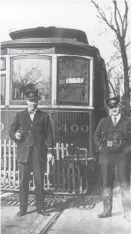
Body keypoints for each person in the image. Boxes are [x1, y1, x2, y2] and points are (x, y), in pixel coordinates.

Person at [9, 88, 54, 217]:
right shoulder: (20, 115)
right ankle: (23, 208)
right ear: (26, 101)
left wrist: (50, 151)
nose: (33, 103)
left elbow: (49, 134)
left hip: (38, 154)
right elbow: (12, 130)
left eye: (35, 101)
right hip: (24, 154)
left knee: (39, 181)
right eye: (30, 100)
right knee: (23, 182)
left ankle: (41, 207)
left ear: (37, 101)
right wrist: (15, 135)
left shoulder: (44, 116)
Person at [94, 95, 131, 222]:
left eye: (115, 106)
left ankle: (127, 212)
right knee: (106, 183)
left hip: (123, 157)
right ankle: (106, 210)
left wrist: (127, 151)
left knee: (125, 183)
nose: (114, 109)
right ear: (109, 108)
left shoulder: (128, 121)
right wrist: (101, 148)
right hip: (107, 157)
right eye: (111, 107)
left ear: (119, 106)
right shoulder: (104, 121)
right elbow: (96, 136)